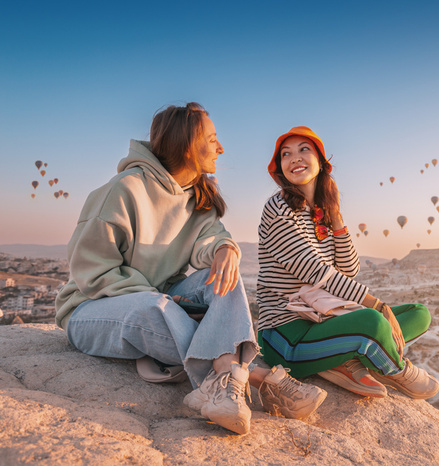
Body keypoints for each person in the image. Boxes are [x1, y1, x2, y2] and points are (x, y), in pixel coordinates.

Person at [54, 103, 326, 435]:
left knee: (221, 278)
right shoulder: (124, 189)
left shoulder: (197, 196)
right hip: (90, 308)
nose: (220, 148)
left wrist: (225, 249)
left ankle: (224, 383)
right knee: (154, 307)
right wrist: (160, 297)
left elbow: (211, 239)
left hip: (160, 297)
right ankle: (257, 377)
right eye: (212, 139)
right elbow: (91, 271)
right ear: (186, 145)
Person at [256, 126, 439, 399]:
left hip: (326, 319)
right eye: (286, 154)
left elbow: (348, 270)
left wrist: (336, 219)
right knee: (372, 319)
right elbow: (312, 270)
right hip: (286, 334)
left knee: (419, 312)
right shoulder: (278, 207)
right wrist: (377, 305)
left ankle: (346, 359)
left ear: (321, 161)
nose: (294, 158)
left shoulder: (321, 213)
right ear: (281, 169)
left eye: (303, 150)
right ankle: (396, 370)